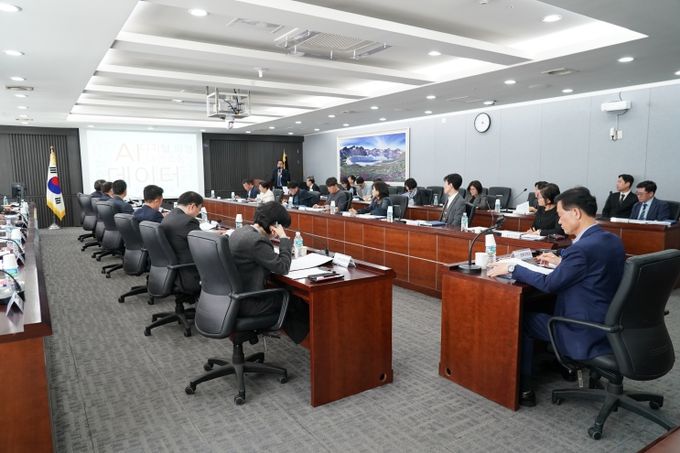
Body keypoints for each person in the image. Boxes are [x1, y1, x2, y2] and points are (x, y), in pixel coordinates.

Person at [488, 187, 625, 406]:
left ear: (576, 213)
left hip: (582, 330)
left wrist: (513, 268)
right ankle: (563, 367)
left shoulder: (582, 250)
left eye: (561, 215)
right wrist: (563, 261)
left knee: (521, 319)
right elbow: (594, 268)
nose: (559, 221)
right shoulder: (611, 239)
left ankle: (524, 390)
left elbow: (550, 284)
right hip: (611, 323)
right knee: (544, 307)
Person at [229, 201, 308, 343]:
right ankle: (309, 343)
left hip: (233, 298)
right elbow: (283, 267)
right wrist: (283, 238)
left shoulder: (240, 231)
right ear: (274, 226)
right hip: (248, 303)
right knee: (296, 301)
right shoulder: (256, 241)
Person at [159, 191, 203, 294]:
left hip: (174, 270)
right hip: (189, 271)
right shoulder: (188, 221)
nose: (198, 213)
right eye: (199, 209)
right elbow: (203, 245)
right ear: (192, 206)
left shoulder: (169, 216)